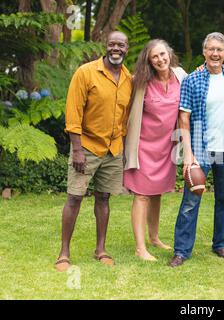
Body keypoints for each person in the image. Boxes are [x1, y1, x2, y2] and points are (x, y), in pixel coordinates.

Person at [55, 31, 132, 271]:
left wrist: (124, 149)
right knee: (74, 197)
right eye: (112, 44)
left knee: (104, 198)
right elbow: (73, 113)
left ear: (127, 49)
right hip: (86, 147)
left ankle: (101, 249)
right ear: (106, 46)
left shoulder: (128, 78)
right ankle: (64, 253)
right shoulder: (86, 72)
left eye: (121, 45)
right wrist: (76, 149)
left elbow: (125, 117)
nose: (116, 48)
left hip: (113, 149)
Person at [169, 32, 224, 267]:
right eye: (211, 49)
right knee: (190, 202)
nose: (215, 53)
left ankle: (220, 243)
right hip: (201, 150)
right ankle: (181, 250)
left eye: (219, 50)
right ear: (204, 52)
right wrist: (188, 155)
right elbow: (184, 119)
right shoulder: (193, 80)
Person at [123, 40, 188, 261]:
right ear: (149, 61)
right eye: (155, 57)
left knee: (157, 193)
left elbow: (201, 81)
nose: (160, 59)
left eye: (162, 54)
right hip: (142, 145)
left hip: (166, 146)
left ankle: (154, 237)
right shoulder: (140, 81)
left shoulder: (180, 75)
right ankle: (140, 248)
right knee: (142, 195)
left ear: (169, 53)